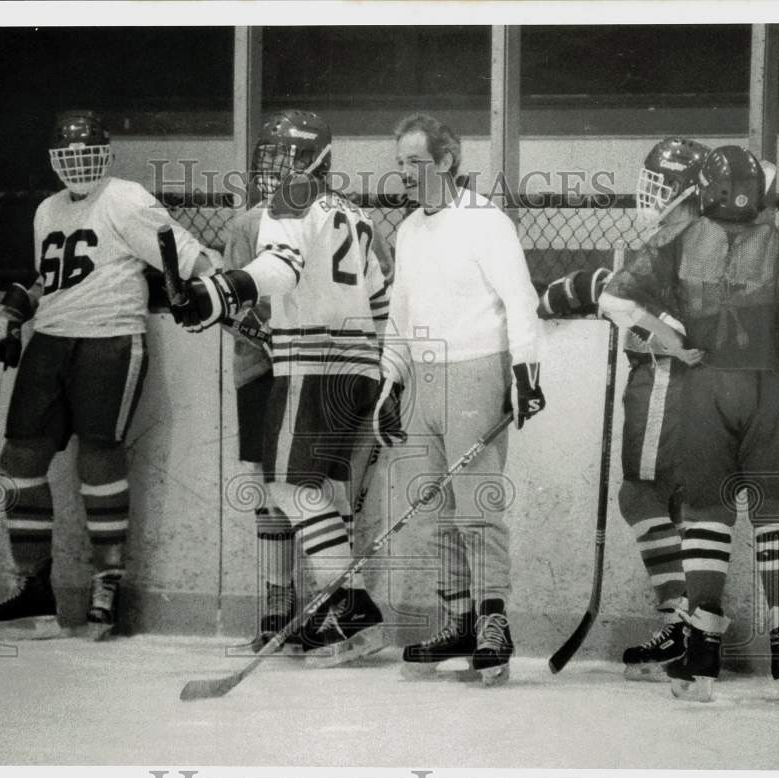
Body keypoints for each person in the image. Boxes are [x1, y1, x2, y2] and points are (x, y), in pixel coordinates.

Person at [600, 144, 779, 702]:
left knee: (707, 512)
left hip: (705, 389)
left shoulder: (679, 239)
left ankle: (702, 650)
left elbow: (615, 298)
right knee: (777, 514)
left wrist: (672, 340)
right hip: (770, 392)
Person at [0, 110, 219, 640]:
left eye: (87, 154)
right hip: (51, 340)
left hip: (110, 340)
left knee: (99, 456)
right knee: (19, 457)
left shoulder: (127, 197)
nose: (78, 165)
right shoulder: (46, 210)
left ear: (106, 154)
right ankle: (35, 593)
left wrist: (221, 286)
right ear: (53, 160)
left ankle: (106, 587)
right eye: (68, 156)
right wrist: (14, 310)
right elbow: (53, 277)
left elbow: (183, 250)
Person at [172, 109, 392, 666]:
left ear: (315, 161)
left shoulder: (287, 203)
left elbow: (282, 267)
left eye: (289, 157)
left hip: (310, 363)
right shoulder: (355, 213)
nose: (279, 168)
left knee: (288, 489)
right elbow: (382, 299)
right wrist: (386, 368)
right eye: (271, 157)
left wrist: (219, 291)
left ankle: (349, 603)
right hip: (358, 367)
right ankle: (344, 612)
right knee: (317, 491)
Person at [378, 113, 546, 686]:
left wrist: (525, 371)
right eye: (399, 162)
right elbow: (399, 318)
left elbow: (520, 300)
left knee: (478, 510)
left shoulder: (485, 221)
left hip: (476, 372)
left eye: (415, 162)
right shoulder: (407, 231)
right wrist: (390, 381)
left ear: (446, 161)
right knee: (433, 511)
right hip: (422, 380)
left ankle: (494, 623)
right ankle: (457, 622)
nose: (404, 173)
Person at [542, 137, 711, 680]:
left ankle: (684, 621)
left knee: (641, 492)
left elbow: (671, 328)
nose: (651, 193)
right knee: (684, 503)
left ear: (691, 192)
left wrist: (598, 293)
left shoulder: (677, 239)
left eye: (662, 185)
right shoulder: (705, 238)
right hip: (705, 396)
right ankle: (695, 630)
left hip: (668, 387)